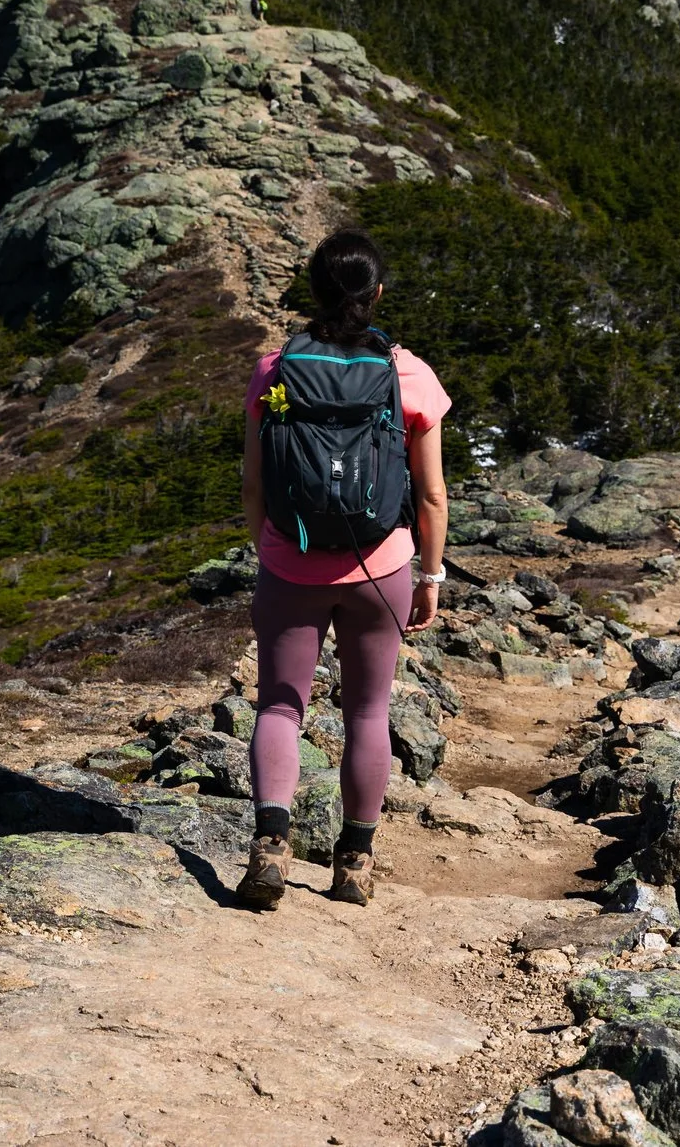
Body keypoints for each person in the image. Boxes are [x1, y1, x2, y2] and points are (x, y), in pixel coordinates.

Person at [236, 229, 450, 910]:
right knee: (367, 709)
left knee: (279, 702)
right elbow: (432, 493)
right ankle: (353, 861)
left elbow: (253, 481)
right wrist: (432, 575)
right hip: (380, 562)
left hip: (290, 561)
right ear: (377, 293)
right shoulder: (407, 373)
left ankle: (271, 843)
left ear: (315, 290)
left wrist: (268, 549)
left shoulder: (275, 369)